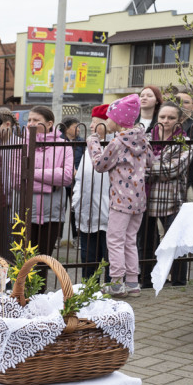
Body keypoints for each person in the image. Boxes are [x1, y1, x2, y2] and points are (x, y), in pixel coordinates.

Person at [87, 94, 153, 298]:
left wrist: (93, 143)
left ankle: (116, 283)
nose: (107, 121)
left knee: (115, 240)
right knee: (130, 240)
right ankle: (132, 282)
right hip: (139, 199)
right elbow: (151, 162)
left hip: (120, 199)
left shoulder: (117, 142)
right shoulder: (143, 138)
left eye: (109, 117)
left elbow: (100, 165)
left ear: (118, 120)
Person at [140, 102, 191, 288]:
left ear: (180, 120)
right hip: (145, 198)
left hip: (172, 199)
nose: (166, 121)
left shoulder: (184, 142)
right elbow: (136, 165)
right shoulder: (145, 138)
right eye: (162, 117)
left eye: (171, 117)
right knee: (145, 243)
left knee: (175, 243)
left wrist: (146, 168)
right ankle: (146, 281)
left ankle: (178, 282)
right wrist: (149, 169)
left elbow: (173, 169)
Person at [24, 106, 74, 259]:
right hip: (25, 211)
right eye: (29, 120)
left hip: (52, 213)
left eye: (36, 120)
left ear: (49, 123)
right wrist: (51, 184)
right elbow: (17, 177)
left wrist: (31, 173)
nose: (31, 124)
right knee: (23, 263)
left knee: (44, 262)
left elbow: (67, 176)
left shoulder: (63, 145)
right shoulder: (21, 144)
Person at [72, 105, 112, 282]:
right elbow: (80, 177)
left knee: (110, 257)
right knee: (88, 258)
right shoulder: (90, 146)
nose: (91, 126)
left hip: (108, 212)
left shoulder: (115, 145)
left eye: (95, 122)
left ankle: (111, 287)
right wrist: (77, 200)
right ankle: (89, 288)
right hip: (87, 211)